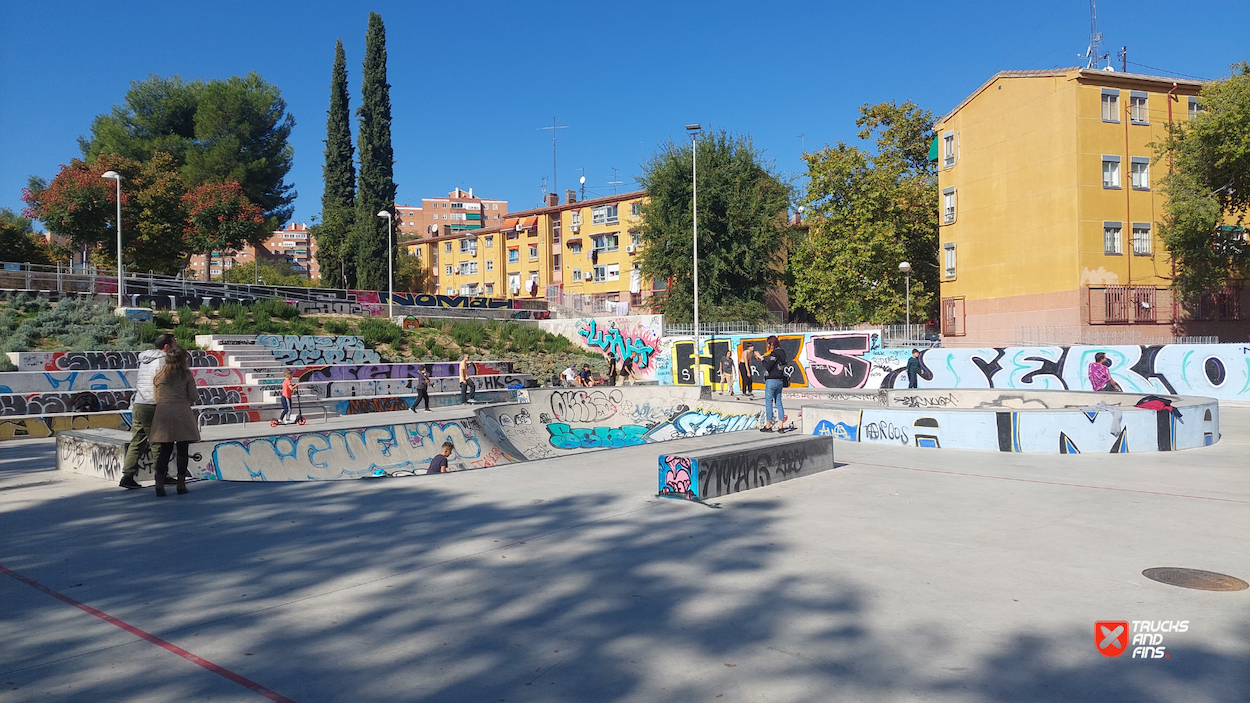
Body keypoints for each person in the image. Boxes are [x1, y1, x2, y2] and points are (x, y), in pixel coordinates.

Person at [119, 333, 176, 489]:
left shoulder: (145, 360)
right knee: (159, 442)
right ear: (167, 346)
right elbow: (163, 384)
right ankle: (162, 475)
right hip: (153, 404)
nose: (176, 345)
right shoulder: (163, 361)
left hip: (139, 403)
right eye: (174, 343)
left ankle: (127, 475)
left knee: (137, 441)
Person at [149, 348, 200, 497]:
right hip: (181, 412)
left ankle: (159, 484)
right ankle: (181, 484)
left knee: (165, 450)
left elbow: (156, 398)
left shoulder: (159, 375)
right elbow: (194, 396)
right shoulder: (186, 375)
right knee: (183, 450)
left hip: (163, 413)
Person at [755, 335, 788, 431]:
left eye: (769, 344)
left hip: (772, 380)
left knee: (769, 402)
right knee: (779, 402)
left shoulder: (774, 354)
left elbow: (768, 366)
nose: (768, 346)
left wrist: (761, 360)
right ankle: (781, 425)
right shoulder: (782, 352)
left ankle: (768, 425)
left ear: (772, 344)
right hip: (780, 380)